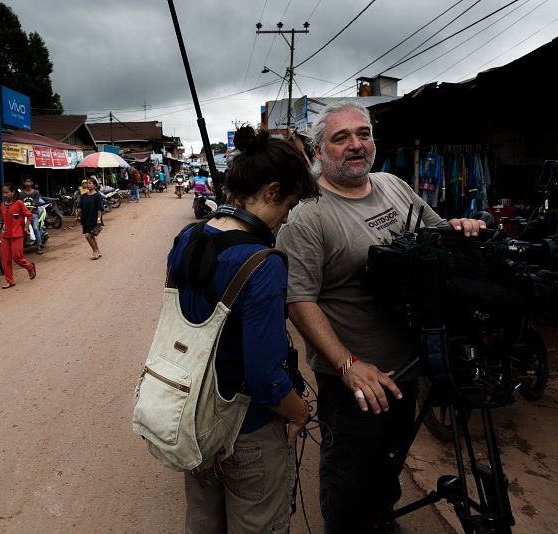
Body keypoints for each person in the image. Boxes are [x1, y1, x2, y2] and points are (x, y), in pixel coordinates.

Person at [275, 102, 486, 534]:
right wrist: (348, 365)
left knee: (389, 461)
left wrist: (459, 227)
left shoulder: (392, 183)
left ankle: (381, 520)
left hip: (408, 364)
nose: (356, 145)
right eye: (341, 138)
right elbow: (299, 301)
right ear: (318, 151)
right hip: (354, 376)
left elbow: (434, 233)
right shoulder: (307, 214)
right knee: (349, 472)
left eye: (363, 134)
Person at [171, 126, 320, 533]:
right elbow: (264, 377)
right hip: (248, 430)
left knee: (203, 520)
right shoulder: (262, 263)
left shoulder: (187, 238)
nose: (287, 217)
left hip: (195, 420)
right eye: (288, 206)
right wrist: (299, 412)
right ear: (271, 192)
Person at [0, 183, 36, 289]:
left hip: (17, 234)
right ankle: (10, 281)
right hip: (5, 235)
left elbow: (29, 216)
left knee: (17, 257)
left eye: (7, 192)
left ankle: (30, 267)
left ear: (13, 192)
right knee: (5, 259)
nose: (4, 195)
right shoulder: (2, 205)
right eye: (3, 193)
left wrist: (25, 228)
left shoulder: (19, 203)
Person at [76, 176, 104, 260]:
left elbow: (100, 209)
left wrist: (99, 219)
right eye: (87, 183)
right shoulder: (84, 196)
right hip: (85, 219)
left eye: (90, 183)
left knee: (88, 235)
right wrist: (77, 216)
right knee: (92, 236)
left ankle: (94, 251)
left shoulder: (97, 195)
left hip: (94, 219)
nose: (88, 185)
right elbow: (80, 207)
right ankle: (98, 251)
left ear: (94, 185)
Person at [20, 175, 44, 254]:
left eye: (29, 181)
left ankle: (39, 246)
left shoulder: (36, 192)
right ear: (24, 183)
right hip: (23, 214)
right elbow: (20, 204)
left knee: (35, 228)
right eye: (26, 181)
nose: (27, 183)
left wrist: (28, 213)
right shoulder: (21, 194)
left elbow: (34, 204)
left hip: (33, 213)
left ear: (32, 183)